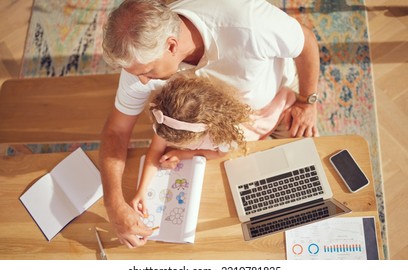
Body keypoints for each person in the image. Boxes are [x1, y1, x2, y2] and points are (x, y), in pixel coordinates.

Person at [100, 0, 320, 248]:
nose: (141, 82)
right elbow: (116, 131)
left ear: (171, 46)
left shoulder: (248, 24)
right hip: (219, 130)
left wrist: (306, 102)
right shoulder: (141, 56)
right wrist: (114, 204)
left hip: (279, 105)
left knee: (307, 182)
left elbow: (306, 42)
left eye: (148, 72)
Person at [133, 75, 252, 219]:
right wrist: (141, 191)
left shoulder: (224, 136)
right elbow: (155, 150)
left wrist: (182, 154)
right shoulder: (166, 119)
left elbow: (219, 155)